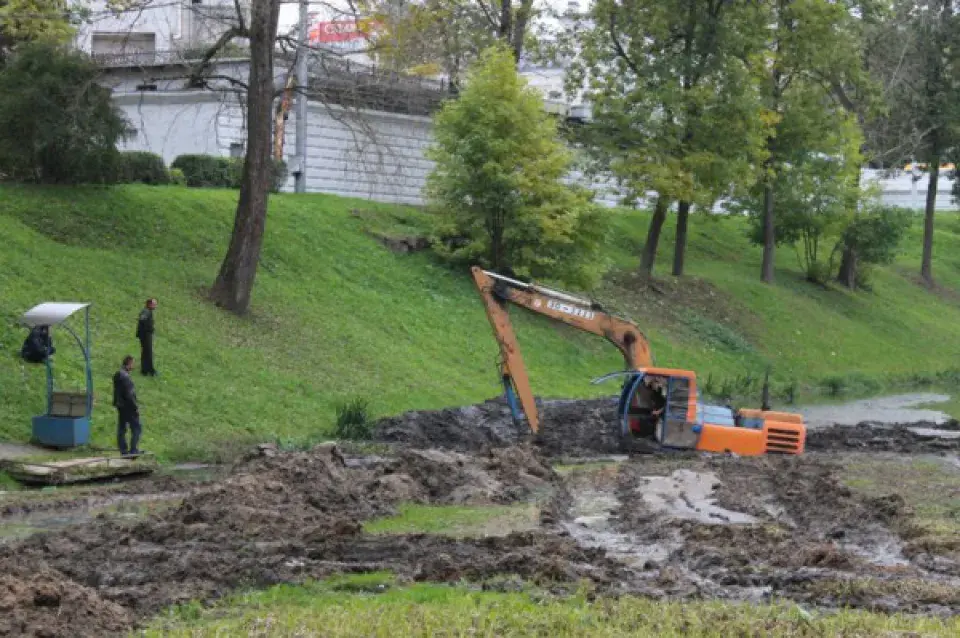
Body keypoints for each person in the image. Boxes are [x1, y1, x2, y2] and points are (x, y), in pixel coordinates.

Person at [112, 355, 142, 456]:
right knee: (136, 428)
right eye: (133, 363)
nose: (134, 365)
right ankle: (133, 450)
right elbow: (129, 394)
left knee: (121, 428)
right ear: (129, 363)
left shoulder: (118, 374)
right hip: (128, 406)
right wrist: (135, 407)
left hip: (120, 406)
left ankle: (123, 450)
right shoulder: (126, 377)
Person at [136, 298, 158, 376]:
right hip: (145, 335)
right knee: (148, 352)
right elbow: (142, 320)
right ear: (149, 304)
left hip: (146, 334)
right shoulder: (146, 311)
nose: (155, 306)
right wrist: (148, 329)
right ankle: (149, 370)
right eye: (154, 304)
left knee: (146, 352)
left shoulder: (148, 311)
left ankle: (146, 370)